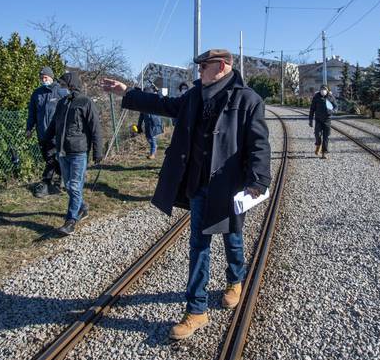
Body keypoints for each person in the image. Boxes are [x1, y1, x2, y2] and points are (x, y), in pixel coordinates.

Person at [102, 49, 271, 340]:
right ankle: (196, 310)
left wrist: (259, 180)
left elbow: (259, 143)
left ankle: (235, 281)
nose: (198, 72)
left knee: (233, 237)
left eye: (202, 67)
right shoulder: (194, 96)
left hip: (229, 186)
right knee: (198, 246)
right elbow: (163, 104)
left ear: (220, 66)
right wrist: (127, 92)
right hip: (197, 184)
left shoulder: (248, 99)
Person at [41, 72, 103, 235]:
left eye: (63, 85)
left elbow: (95, 128)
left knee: (74, 185)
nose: (61, 88)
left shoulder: (85, 102)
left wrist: (98, 151)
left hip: (79, 152)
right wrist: (45, 139)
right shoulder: (61, 103)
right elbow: (54, 124)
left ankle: (70, 221)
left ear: (71, 85)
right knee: (69, 186)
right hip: (62, 151)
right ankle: (82, 207)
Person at [26, 66, 63, 197]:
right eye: (41, 78)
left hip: (56, 133)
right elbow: (32, 113)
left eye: (45, 77)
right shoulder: (37, 94)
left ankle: (46, 181)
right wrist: (29, 128)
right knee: (48, 157)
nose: (43, 79)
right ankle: (63, 176)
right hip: (42, 132)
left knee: (52, 157)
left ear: (51, 77)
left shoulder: (60, 91)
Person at [309, 84, 337, 159]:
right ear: (320, 90)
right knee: (317, 135)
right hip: (318, 120)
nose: (323, 91)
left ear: (327, 90)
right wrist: (310, 120)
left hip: (327, 120)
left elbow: (336, 107)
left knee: (326, 137)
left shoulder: (331, 97)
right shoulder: (316, 97)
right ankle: (318, 144)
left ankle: (324, 153)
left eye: (324, 89)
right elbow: (312, 109)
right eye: (322, 89)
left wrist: (332, 111)